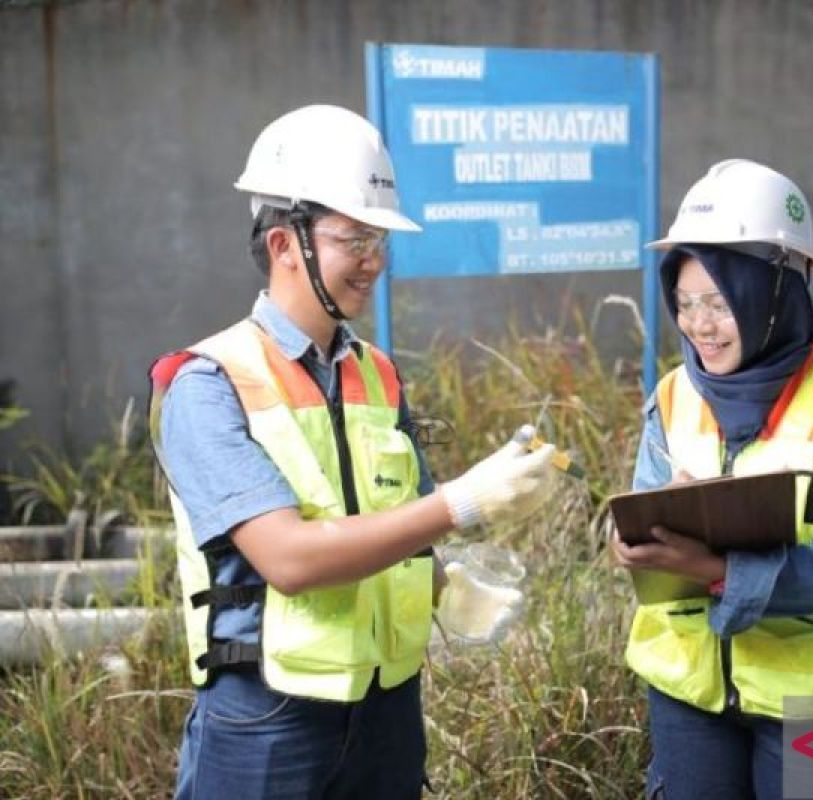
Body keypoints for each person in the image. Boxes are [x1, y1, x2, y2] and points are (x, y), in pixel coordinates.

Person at [148, 104, 560, 799]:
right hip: (267, 717)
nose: (374, 262)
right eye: (354, 240)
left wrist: (451, 586)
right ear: (284, 245)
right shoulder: (209, 383)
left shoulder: (377, 373)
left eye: (380, 241)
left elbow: (400, 527)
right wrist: (462, 501)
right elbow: (290, 559)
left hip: (386, 710)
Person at [612, 159, 813, 800]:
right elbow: (646, 534)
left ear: (773, 293)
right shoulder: (672, 395)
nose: (699, 326)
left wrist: (719, 568)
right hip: (689, 691)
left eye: (720, 303)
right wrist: (639, 546)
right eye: (685, 304)